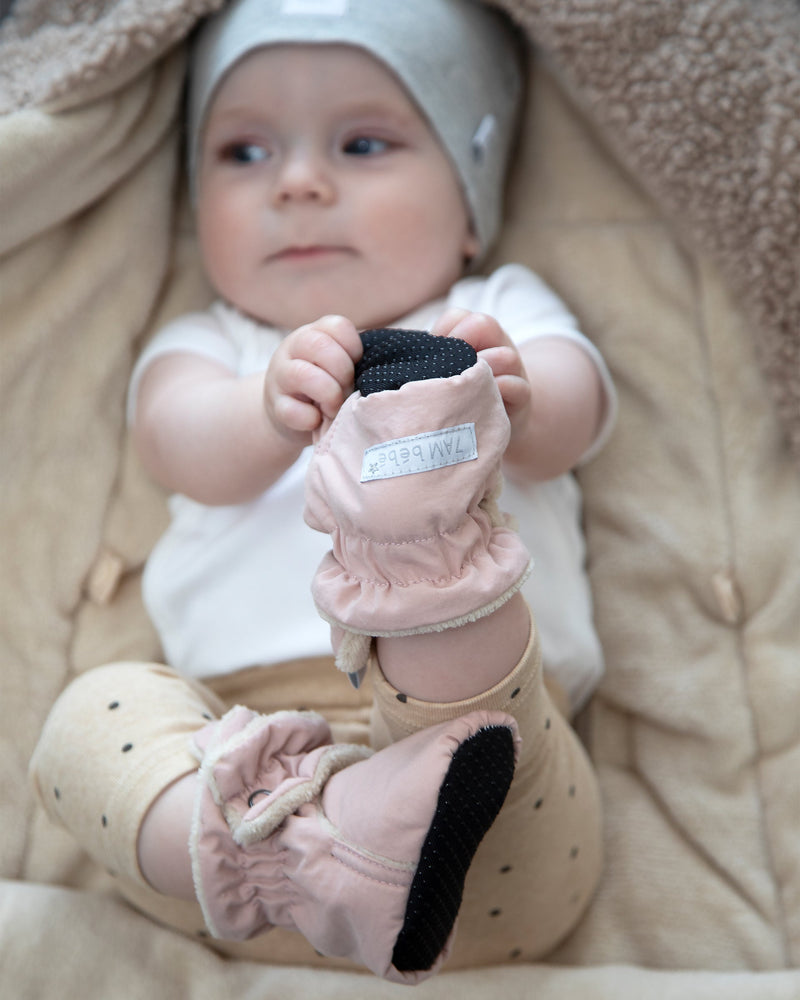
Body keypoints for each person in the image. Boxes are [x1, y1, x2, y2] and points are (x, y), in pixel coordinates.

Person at [30, 0, 616, 984]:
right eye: (244, 154)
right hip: (246, 772)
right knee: (89, 718)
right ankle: (306, 855)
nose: (297, 183)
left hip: (492, 799)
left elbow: (578, 413)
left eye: (361, 142)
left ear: (469, 203)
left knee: (429, 543)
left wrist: (511, 398)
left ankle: (371, 800)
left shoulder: (493, 314)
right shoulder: (214, 344)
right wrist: (262, 413)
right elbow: (174, 441)